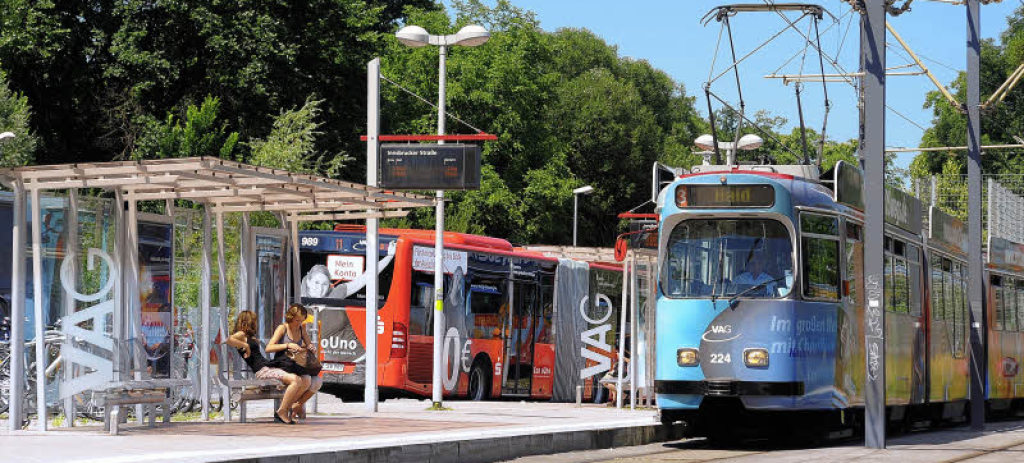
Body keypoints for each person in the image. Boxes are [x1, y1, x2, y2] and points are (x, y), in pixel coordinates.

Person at [225, 310, 309, 424]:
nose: (255, 323)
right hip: (262, 371)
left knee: (302, 379)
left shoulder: (249, 335)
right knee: (295, 380)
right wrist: (245, 346)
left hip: (267, 367)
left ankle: (287, 409)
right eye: (253, 320)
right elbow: (229, 340)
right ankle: (282, 412)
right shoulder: (241, 334)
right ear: (248, 321)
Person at [267, 304, 322, 421]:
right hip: (284, 364)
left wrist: (311, 347)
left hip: (297, 365)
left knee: (315, 380)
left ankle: (294, 405)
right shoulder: (283, 328)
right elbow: (269, 348)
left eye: (302, 320)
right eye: (297, 320)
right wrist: (287, 345)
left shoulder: (302, 329)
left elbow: (308, 344)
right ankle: (285, 409)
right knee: (305, 380)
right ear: (290, 317)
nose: (299, 323)